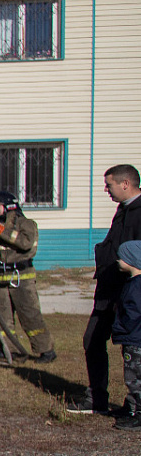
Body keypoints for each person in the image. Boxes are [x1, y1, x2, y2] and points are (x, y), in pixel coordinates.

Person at [72, 165, 141, 415]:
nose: (106, 190)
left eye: (109, 184)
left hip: (130, 292)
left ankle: (135, 405)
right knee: (92, 339)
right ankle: (96, 398)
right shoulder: (122, 209)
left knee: (132, 348)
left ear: (125, 183)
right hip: (108, 289)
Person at [0, 190, 55, 362]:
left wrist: (2, 231)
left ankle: (46, 350)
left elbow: (26, 244)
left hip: (22, 278)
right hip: (1, 278)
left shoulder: (26, 224)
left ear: (9, 206)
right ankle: (10, 350)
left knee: (30, 315)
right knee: (2, 318)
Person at [112, 240, 141, 431]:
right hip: (133, 339)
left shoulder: (136, 286)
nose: (117, 260)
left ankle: (139, 413)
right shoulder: (133, 283)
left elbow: (133, 312)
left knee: (135, 377)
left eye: (121, 257)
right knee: (132, 377)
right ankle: (132, 407)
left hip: (135, 339)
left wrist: (121, 326)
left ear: (132, 260)